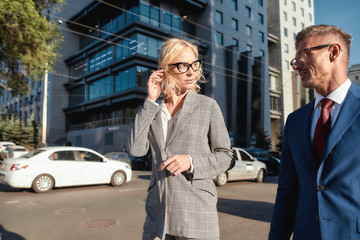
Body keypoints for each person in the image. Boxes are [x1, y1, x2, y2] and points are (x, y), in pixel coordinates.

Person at [127, 38, 233, 240]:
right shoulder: (153, 110)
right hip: (158, 217)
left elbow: (226, 156)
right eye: (183, 66)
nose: (191, 72)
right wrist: (150, 101)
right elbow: (135, 150)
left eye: (194, 64)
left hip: (196, 215)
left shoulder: (207, 105)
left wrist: (191, 161)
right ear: (164, 68)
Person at [269, 25, 360, 239]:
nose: (296, 65)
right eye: (295, 58)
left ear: (333, 52)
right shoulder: (295, 120)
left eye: (303, 54)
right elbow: (287, 193)